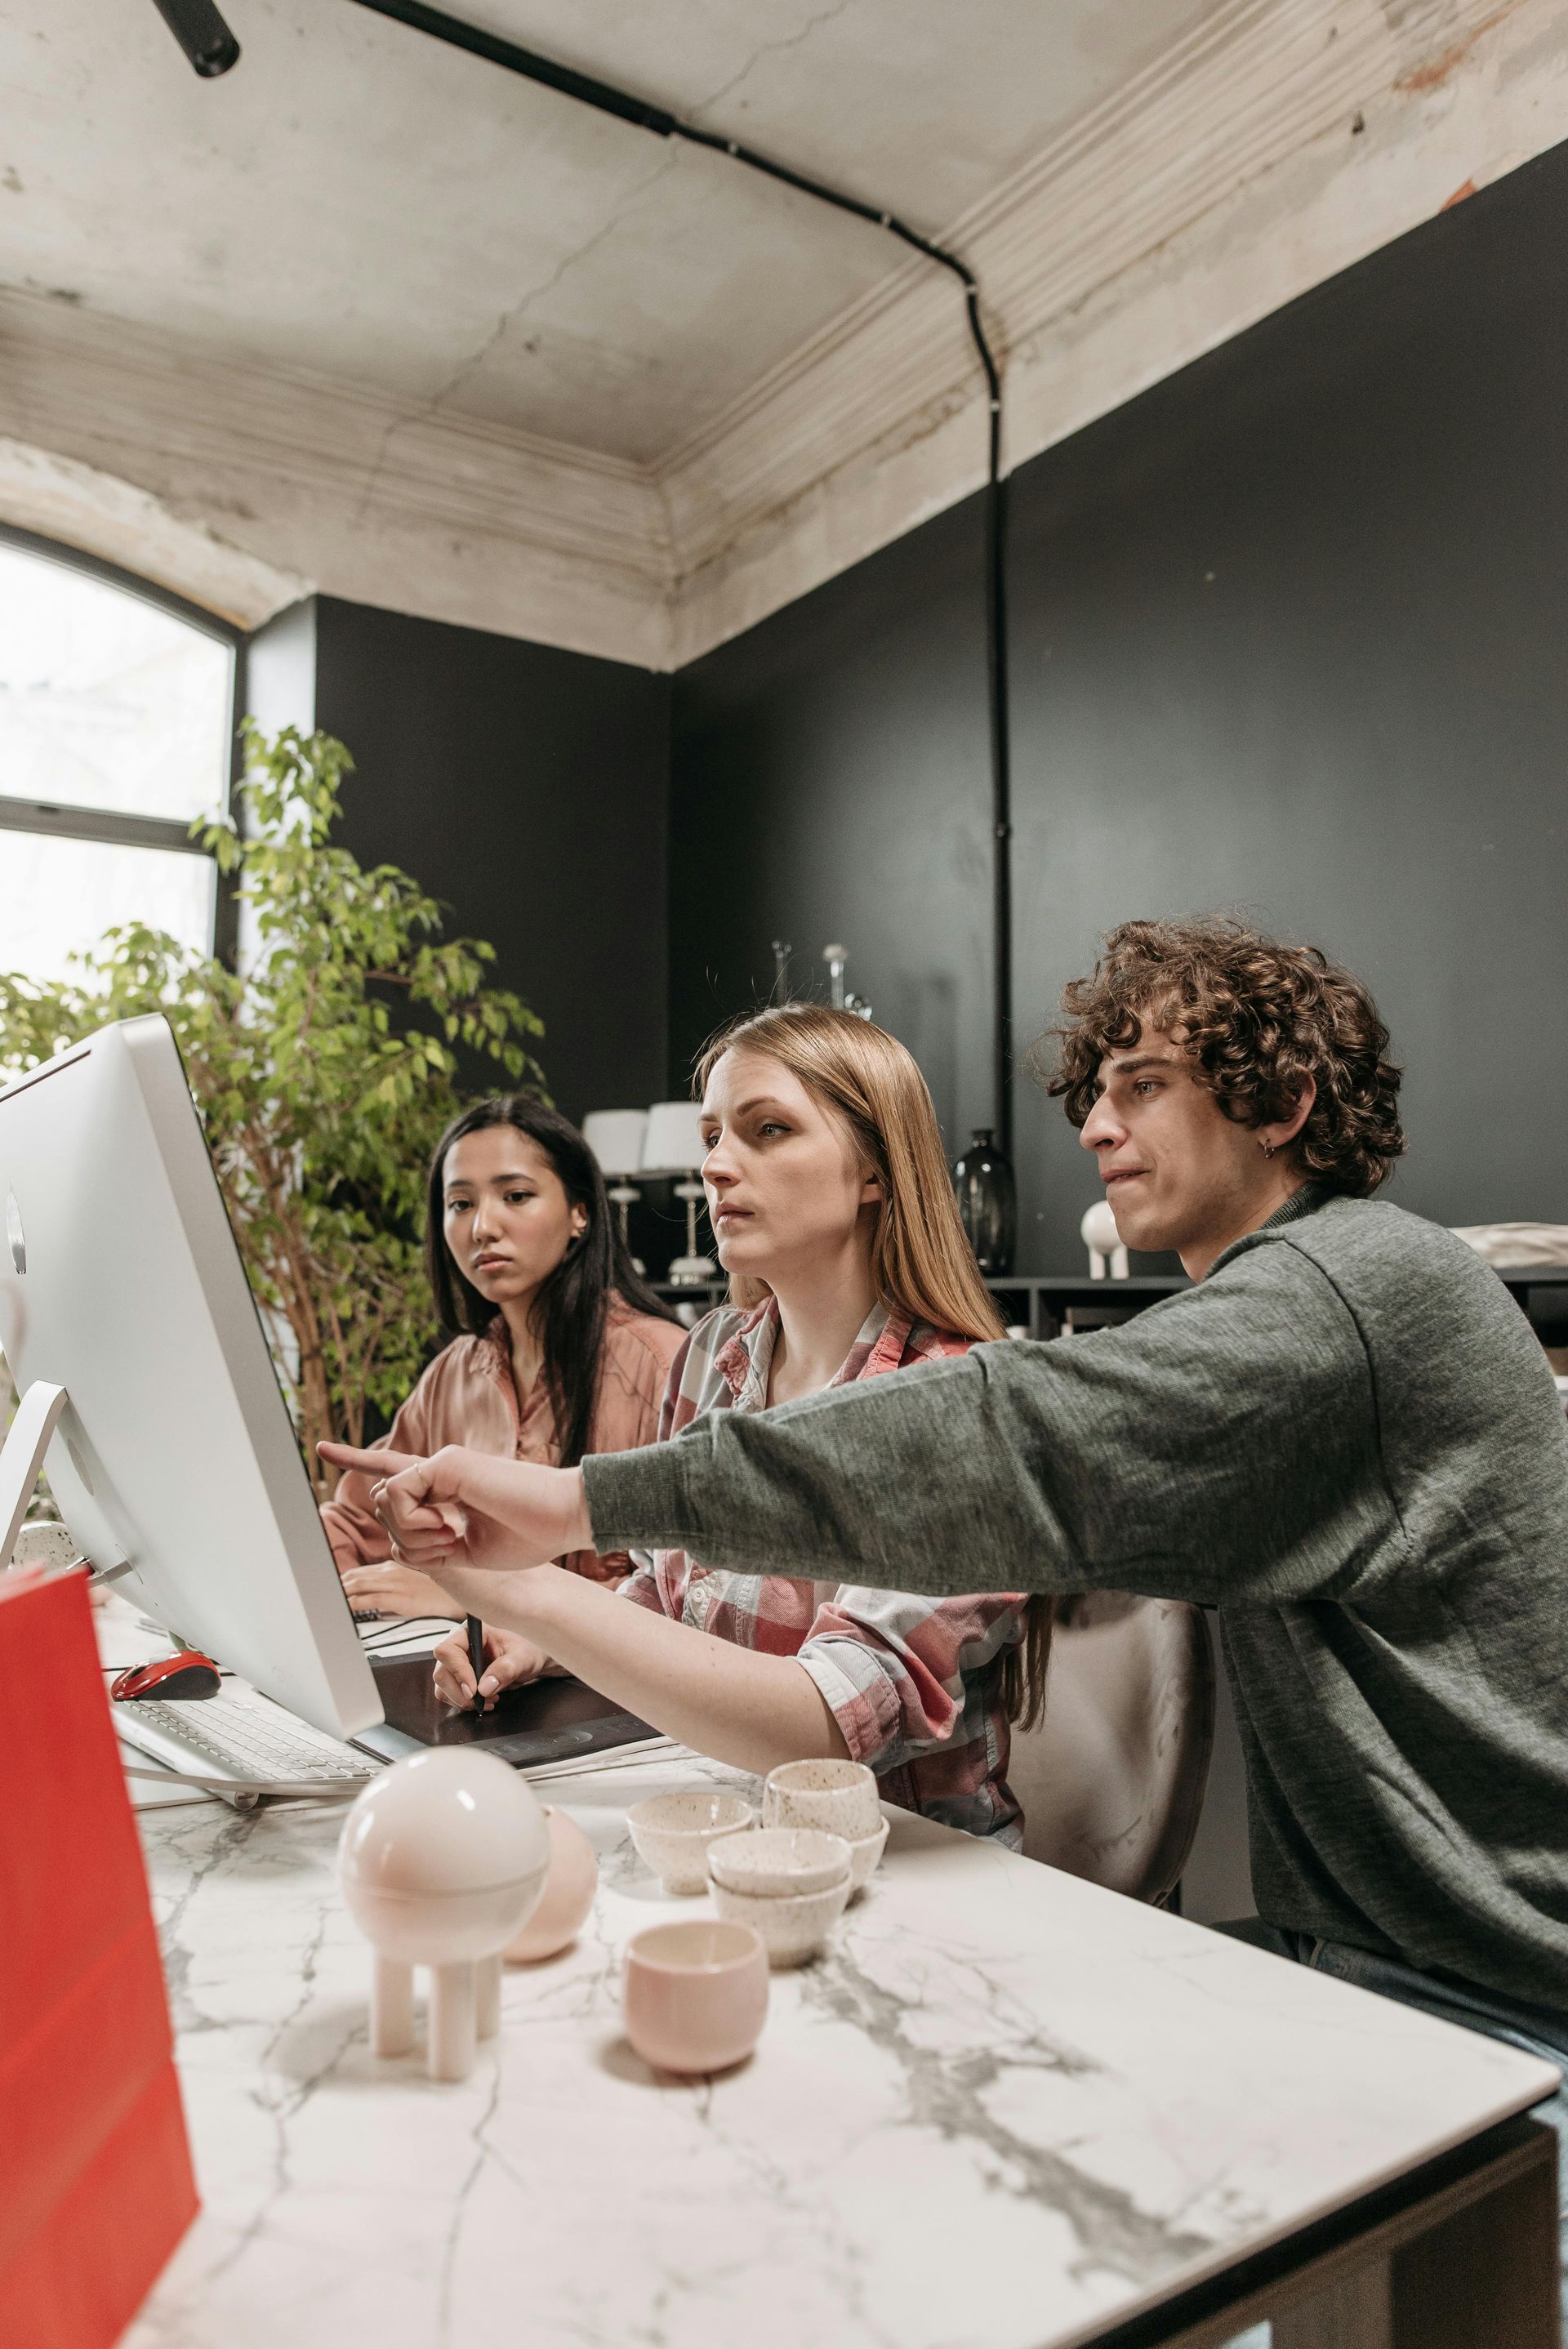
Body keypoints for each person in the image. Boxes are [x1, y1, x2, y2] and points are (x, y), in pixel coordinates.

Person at [324, 918, 1568, 2322]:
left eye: (1142, 1083)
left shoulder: (1341, 1298)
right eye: (1092, 1090)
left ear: (1283, 1103)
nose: (1095, 1125)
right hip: (1374, 1973)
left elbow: (1002, 1440)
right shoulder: (1302, 1303)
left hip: (1495, 1999)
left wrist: (562, 1516)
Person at [327, 1005, 1054, 1835]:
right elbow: (663, 1591)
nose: (715, 1166)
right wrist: (537, 1643)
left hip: (907, 1870)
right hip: (721, 1825)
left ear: (876, 1171)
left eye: (767, 1129)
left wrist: (524, 1591)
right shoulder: (716, 1352)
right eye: (712, 1136)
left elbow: (827, 1735)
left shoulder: (962, 1402)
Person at [320, 1094, 684, 1618]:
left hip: (605, 1695)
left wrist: (471, 1597)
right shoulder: (455, 1372)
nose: (482, 1227)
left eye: (515, 1195)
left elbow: (686, 1594)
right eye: (460, 1204)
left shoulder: (660, 1365)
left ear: (580, 1213)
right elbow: (354, 1524)